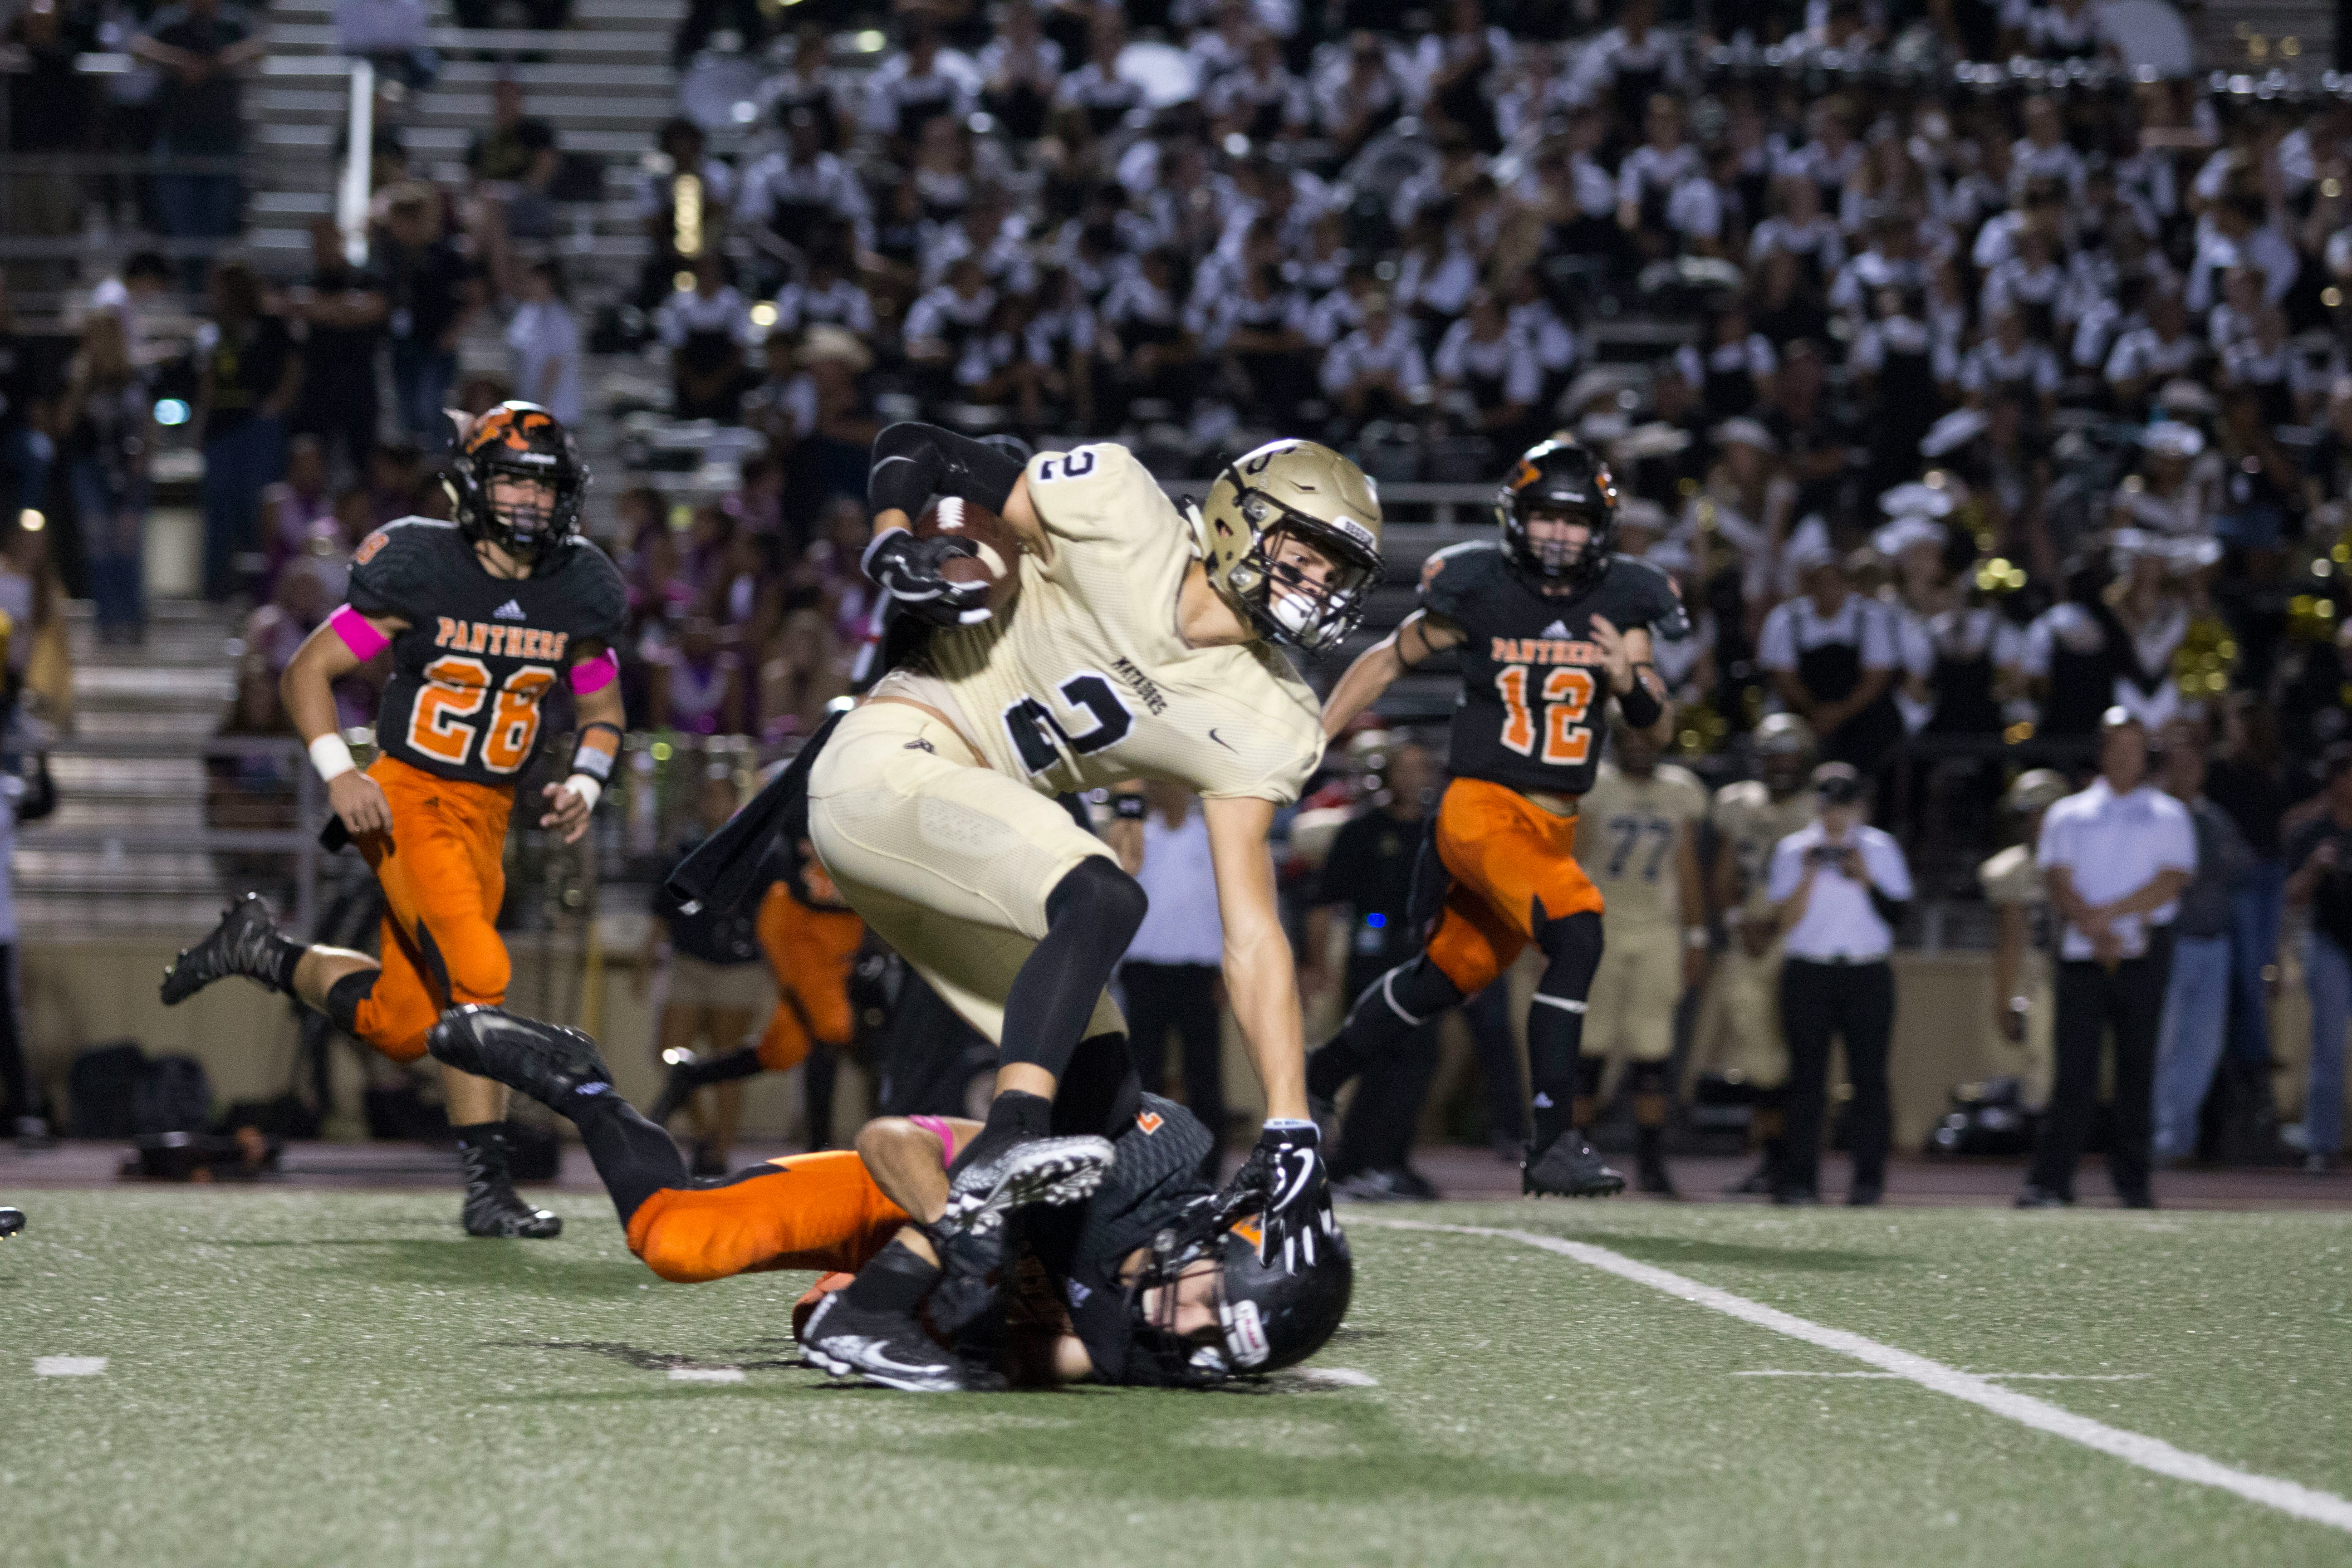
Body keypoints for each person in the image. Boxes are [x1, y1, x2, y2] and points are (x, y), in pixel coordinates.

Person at [664, 428, 1383, 1384]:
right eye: (1307, 552)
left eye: (1337, 572)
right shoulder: (1119, 508)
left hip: (962, 846)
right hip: (893, 759)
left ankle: (869, 1310)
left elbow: (1252, 931)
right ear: (1236, 519)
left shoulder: (1273, 716)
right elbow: (919, 448)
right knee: (1101, 896)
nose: (1317, 584)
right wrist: (895, 539)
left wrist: (1290, 1122)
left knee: (1102, 1101)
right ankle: (1007, 1136)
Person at [158, 403, 628, 1238]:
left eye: (544, 484)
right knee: (477, 970)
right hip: (408, 795)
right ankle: (489, 1189)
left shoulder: (577, 584)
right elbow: (308, 671)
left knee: (405, 1026)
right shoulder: (422, 565)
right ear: (474, 486)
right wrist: (341, 774)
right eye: (513, 480)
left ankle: (262, 951)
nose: (530, 500)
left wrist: (587, 784)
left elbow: (602, 710)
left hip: (489, 815)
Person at [426, 1007, 1349, 1392]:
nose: (1186, 1327)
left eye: (1211, 1340)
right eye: (1209, 1301)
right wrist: (960, 1226)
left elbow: (1026, 1358)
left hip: (934, 1280)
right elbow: (889, 1143)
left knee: (827, 1320)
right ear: (1214, 1237)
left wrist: (945, 1315)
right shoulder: (1141, 1159)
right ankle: (586, 1086)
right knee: (677, 1241)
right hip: (924, 1198)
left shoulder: (1149, 1345)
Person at [1307, 438, 1689, 1197]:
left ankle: (1320, 1073)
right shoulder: (1480, 585)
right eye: (1545, 516)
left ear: (1600, 529)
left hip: (1551, 824)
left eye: (1574, 520)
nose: (1559, 534)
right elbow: (1388, 658)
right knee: (1577, 930)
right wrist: (1316, 737)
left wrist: (1629, 682)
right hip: (1480, 808)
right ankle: (1550, 1141)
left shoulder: (1626, 599)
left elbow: (1659, 730)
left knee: (1445, 978)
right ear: (1515, 518)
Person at [2019, 710, 2195, 1209]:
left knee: (2137, 1071)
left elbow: (2173, 879)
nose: (2126, 758)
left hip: (2142, 952)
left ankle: (2134, 1185)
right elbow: (2057, 878)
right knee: (2073, 1073)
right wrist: (2092, 925)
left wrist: (2109, 917)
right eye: (2118, 748)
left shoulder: (2168, 814)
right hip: (2081, 955)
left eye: (2135, 748)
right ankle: (2051, 1182)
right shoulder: (2067, 814)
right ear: (2102, 752)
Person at [649, 830, 866, 1158]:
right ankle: (820, 1147)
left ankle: (694, 1074)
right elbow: (787, 908)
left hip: (836, 960)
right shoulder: (806, 858)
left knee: (782, 1051)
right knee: (827, 1036)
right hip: (810, 954)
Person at [1302, 739, 1445, 1201]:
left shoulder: (1440, 833)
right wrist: (1316, 962)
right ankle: (1360, 1161)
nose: (1413, 777)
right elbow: (1324, 901)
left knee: (1419, 1060)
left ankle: (1391, 1161)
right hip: (1373, 956)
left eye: (1421, 768)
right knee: (1379, 1058)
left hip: (1425, 958)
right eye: (1404, 768)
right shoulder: (1361, 831)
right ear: (1385, 775)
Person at [1764, 762, 1912, 1205]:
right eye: (1829, 806)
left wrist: (1865, 877)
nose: (1835, 816)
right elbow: (1784, 920)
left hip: (1866, 972)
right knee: (1807, 1081)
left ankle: (1868, 1183)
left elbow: (1899, 915)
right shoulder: (1794, 849)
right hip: (1809, 971)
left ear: (1859, 807)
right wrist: (1809, 874)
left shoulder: (1880, 848)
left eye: (1844, 806)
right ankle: (1800, 1182)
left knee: (1869, 1080)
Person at [1574, 717, 1708, 1196]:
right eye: (1630, 738)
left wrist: (1697, 935)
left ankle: (1651, 1164)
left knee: (1653, 1052)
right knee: (1589, 1049)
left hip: (1658, 929)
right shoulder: (1597, 786)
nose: (1638, 747)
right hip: (1603, 926)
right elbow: (1573, 859)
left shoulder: (1680, 790)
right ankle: (1579, 1157)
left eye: (1646, 738)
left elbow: (1686, 866)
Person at [1694, 713, 1818, 1195]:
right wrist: (1734, 920)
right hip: (1747, 938)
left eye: (1790, 756)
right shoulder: (1738, 803)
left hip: (1801, 938)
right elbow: (1725, 870)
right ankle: (1773, 1160)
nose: (1781, 765)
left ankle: (1799, 1163)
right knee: (1758, 1056)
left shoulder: (1818, 806)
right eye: (1773, 756)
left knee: (1800, 1053)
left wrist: (1776, 925)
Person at [642, 768, 769, 1175]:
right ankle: (705, 1133)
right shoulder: (683, 851)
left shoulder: (755, 851)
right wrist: (646, 958)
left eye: (721, 795)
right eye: (707, 795)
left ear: (735, 802)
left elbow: (772, 912)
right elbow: (663, 911)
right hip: (689, 963)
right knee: (670, 1050)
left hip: (738, 968)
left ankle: (721, 1151)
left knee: (726, 1059)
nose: (713, 803)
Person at [2151, 728, 2254, 1164]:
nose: (2187, 772)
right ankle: (2157, 1137)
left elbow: (2244, 865)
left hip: (2214, 943)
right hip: (2171, 944)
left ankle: (2177, 1137)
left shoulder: (2215, 818)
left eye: (2194, 763)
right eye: (2179, 763)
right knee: (2163, 1044)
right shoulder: (2155, 815)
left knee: (2204, 1048)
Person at [1116, 779, 1227, 1175]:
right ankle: (1145, 1165)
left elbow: (1226, 907)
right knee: (1144, 1076)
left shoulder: (1212, 839)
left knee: (1204, 1075)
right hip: (1143, 972)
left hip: (1199, 974)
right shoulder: (1137, 839)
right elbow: (1120, 876)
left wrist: (1226, 970)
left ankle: (1208, 1169)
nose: (1164, 790)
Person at [194, 260, 299, 603]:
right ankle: (217, 587)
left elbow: (293, 365)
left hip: (258, 426)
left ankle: (263, 589)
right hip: (222, 427)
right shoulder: (215, 330)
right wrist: (201, 424)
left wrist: (278, 403)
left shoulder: (270, 324)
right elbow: (210, 381)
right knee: (220, 507)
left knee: (258, 506)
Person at [1980, 769, 2071, 1117]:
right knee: (2042, 1066)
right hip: (2042, 976)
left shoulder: (2087, 857)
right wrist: (2003, 1000)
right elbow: (2010, 940)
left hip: (2089, 971)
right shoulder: (2011, 870)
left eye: (2041, 814)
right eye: (2026, 815)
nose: (2034, 824)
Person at [57, 311, 152, 644]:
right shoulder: (79, 377)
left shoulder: (135, 378)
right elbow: (64, 425)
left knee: (127, 544)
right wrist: (80, 383)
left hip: (130, 469)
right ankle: (108, 622)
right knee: (99, 545)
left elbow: (146, 427)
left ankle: (132, 620)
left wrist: (141, 466)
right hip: (90, 469)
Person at [2283, 745, 2352, 1174]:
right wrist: (2314, 867)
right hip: (2329, 943)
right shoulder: (2313, 832)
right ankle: (2322, 1144)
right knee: (2327, 1046)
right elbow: (2291, 896)